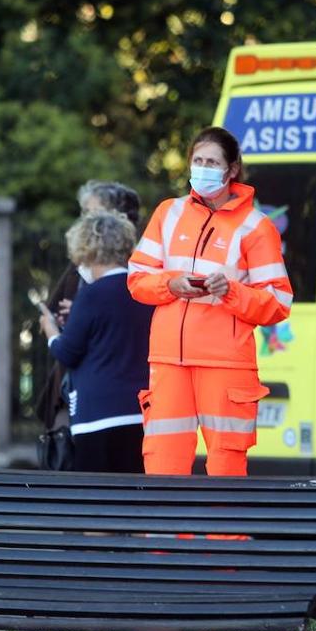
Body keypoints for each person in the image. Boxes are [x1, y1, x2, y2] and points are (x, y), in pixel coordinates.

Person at [127, 127, 292, 476]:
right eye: (198, 160)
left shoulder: (256, 227)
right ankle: (165, 534)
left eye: (212, 162)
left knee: (226, 468)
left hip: (226, 366)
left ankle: (224, 534)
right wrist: (172, 284)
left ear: (231, 169)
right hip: (169, 361)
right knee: (162, 463)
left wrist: (230, 291)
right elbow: (137, 280)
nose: (202, 168)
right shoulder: (168, 213)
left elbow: (277, 302)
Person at [36, 181, 143, 465]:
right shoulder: (144, 289)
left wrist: (51, 332)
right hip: (141, 412)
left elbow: (68, 351)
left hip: (97, 414)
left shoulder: (92, 294)